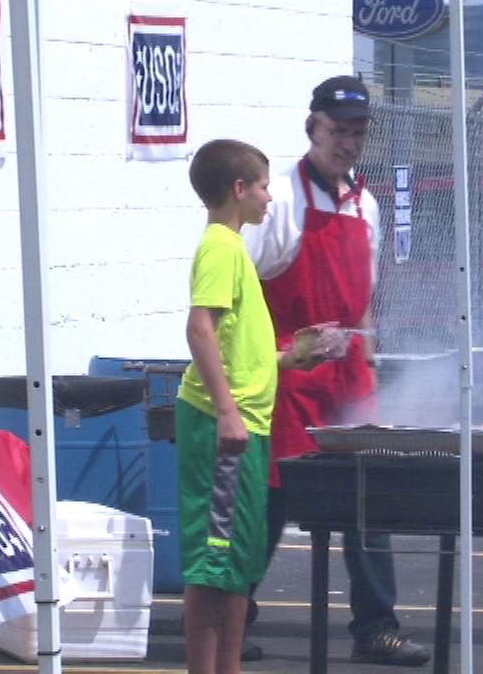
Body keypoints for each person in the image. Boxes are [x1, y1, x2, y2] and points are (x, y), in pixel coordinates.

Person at [241, 75, 431, 666]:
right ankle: (232, 613)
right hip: (290, 376)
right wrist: (279, 351)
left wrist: (367, 353)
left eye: (356, 133)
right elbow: (241, 286)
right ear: (312, 129)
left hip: (349, 378)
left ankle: (378, 629)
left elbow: (363, 294)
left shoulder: (366, 204)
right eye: (336, 132)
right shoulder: (283, 203)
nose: (347, 144)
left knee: (367, 506)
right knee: (269, 503)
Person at [175, 139, 320, 674]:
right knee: (212, 559)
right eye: (262, 187)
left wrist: (287, 359)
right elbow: (200, 328)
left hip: (249, 425)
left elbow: (235, 345)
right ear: (238, 190)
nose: (268, 198)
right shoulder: (219, 247)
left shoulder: (235, 251)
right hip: (223, 424)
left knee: (239, 558)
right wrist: (228, 413)